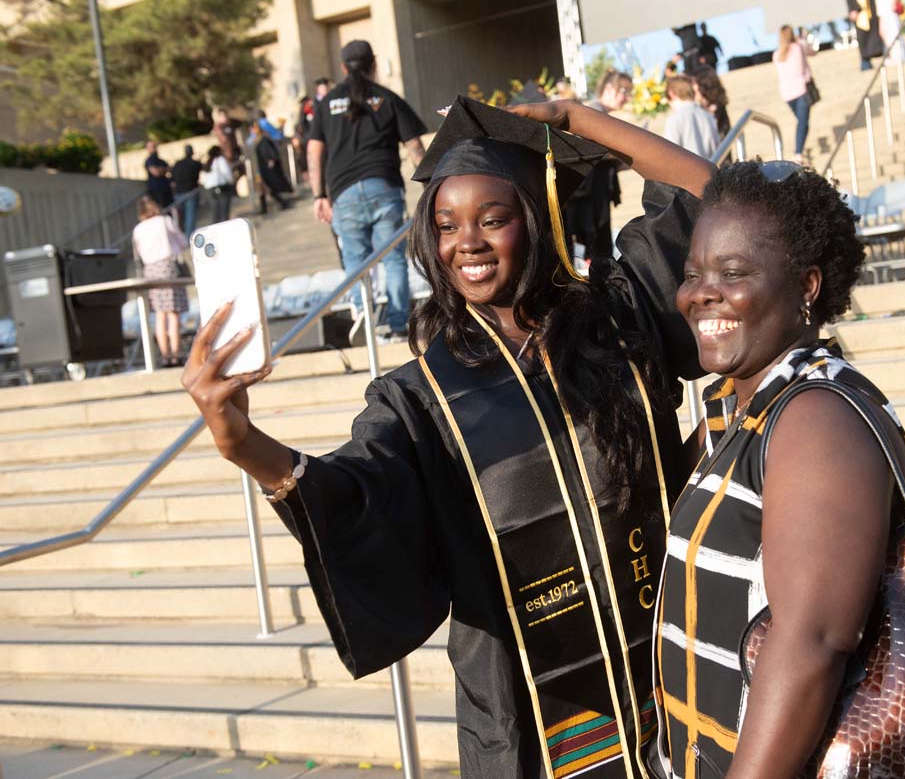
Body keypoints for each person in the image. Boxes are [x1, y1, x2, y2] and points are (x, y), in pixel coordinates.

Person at [181, 95, 713, 779]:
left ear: (538, 218)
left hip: (680, 677)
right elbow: (356, 492)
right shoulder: (419, 398)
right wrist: (242, 444)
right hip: (534, 726)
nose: (468, 242)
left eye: (493, 219)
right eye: (446, 224)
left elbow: (708, 194)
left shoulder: (620, 316)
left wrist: (575, 119)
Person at [654, 161, 905, 779]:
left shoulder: (816, 417)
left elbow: (812, 643)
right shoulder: (738, 409)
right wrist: (575, 121)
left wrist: (576, 120)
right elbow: (715, 190)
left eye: (733, 274)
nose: (700, 294)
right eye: (692, 274)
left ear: (807, 285)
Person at [308, 40, 427, 338]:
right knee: (394, 259)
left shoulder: (327, 102)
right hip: (383, 187)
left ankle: (364, 317)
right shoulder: (387, 98)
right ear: (373, 64)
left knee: (355, 261)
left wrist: (318, 195)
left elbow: (314, 150)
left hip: (343, 192)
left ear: (343, 68)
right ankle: (399, 325)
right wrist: (432, 184)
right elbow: (414, 146)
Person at [563, 68, 632, 263]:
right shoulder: (593, 111)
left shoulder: (598, 112)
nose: (627, 98)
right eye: (625, 92)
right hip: (589, 196)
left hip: (595, 192)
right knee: (596, 246)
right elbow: (590, 151)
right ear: (609, 89)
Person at [132, 195, 188, 367]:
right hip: (167, 267)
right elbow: (183, 242)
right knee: (173, 313)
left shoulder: (138, 229)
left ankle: (165, 356)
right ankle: (176, 354)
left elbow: (138, 254)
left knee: (159, 315)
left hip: (150, 270)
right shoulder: (164, 221)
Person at [773, 25, 817, 162]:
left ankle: (800, 149)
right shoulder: (797, 47)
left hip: (787, 93)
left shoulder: (777, 54)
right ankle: (798, 152)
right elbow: (811, 52)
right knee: (803, 122)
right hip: (801, 89)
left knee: (801, 121)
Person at [663, 74, 719, 160]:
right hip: (710, 165)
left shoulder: (675, 118)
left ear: (671, 93)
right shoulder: (708, 115)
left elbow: (669, 153)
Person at [252, 120, 294, 214]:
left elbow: (269, 152)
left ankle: (280, 204)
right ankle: (266, 207)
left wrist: (270, 160)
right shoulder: (256, 141)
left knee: (268, 187)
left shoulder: (263, 140)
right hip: (260, 168)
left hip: (266, 169)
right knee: (264, 188)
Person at [846, 0, 885, 71]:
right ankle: (865, 62)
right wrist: (852, 9)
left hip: (872, 9)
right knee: (863, 37)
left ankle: (882, 55)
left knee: (877, 33)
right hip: (860, 11)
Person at [687, 66, 731, 141]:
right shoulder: (697, 107)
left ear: (704, 84)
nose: (691, 87)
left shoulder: (715, 109)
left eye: (694, 83)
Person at [170, 144, 204, 237]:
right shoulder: (194, 163)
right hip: (190, 193)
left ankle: (185, 238)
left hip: (179, 193)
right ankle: (188, 238)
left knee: (183, 218)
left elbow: (172, 179)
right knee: (190, 217)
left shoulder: (178, 163)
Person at [875, 0, 905, 64]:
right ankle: (891, 54)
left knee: (893, 29)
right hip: (880, 2)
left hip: (888, 0)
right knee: (882, 31)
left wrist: (894, 1)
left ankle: (898, 55)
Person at [201, 145, 235, 224]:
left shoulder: (208, 162)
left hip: (209, 190)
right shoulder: (220, 160)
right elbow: (226, 172)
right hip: (221, 188)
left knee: (215, 211)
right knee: (224, 211)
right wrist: (231, 180)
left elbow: (203, 179)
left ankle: (216, 227)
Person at [144, 142, 173, 209]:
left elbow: (169, 169)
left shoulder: (161, 161)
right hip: (156, 190)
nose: (154, 149)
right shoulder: (149, 160)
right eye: (151, 147)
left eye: (154, 147)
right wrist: (163, 169)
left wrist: (160, 169)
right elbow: (155, 172)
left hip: (166, 188)